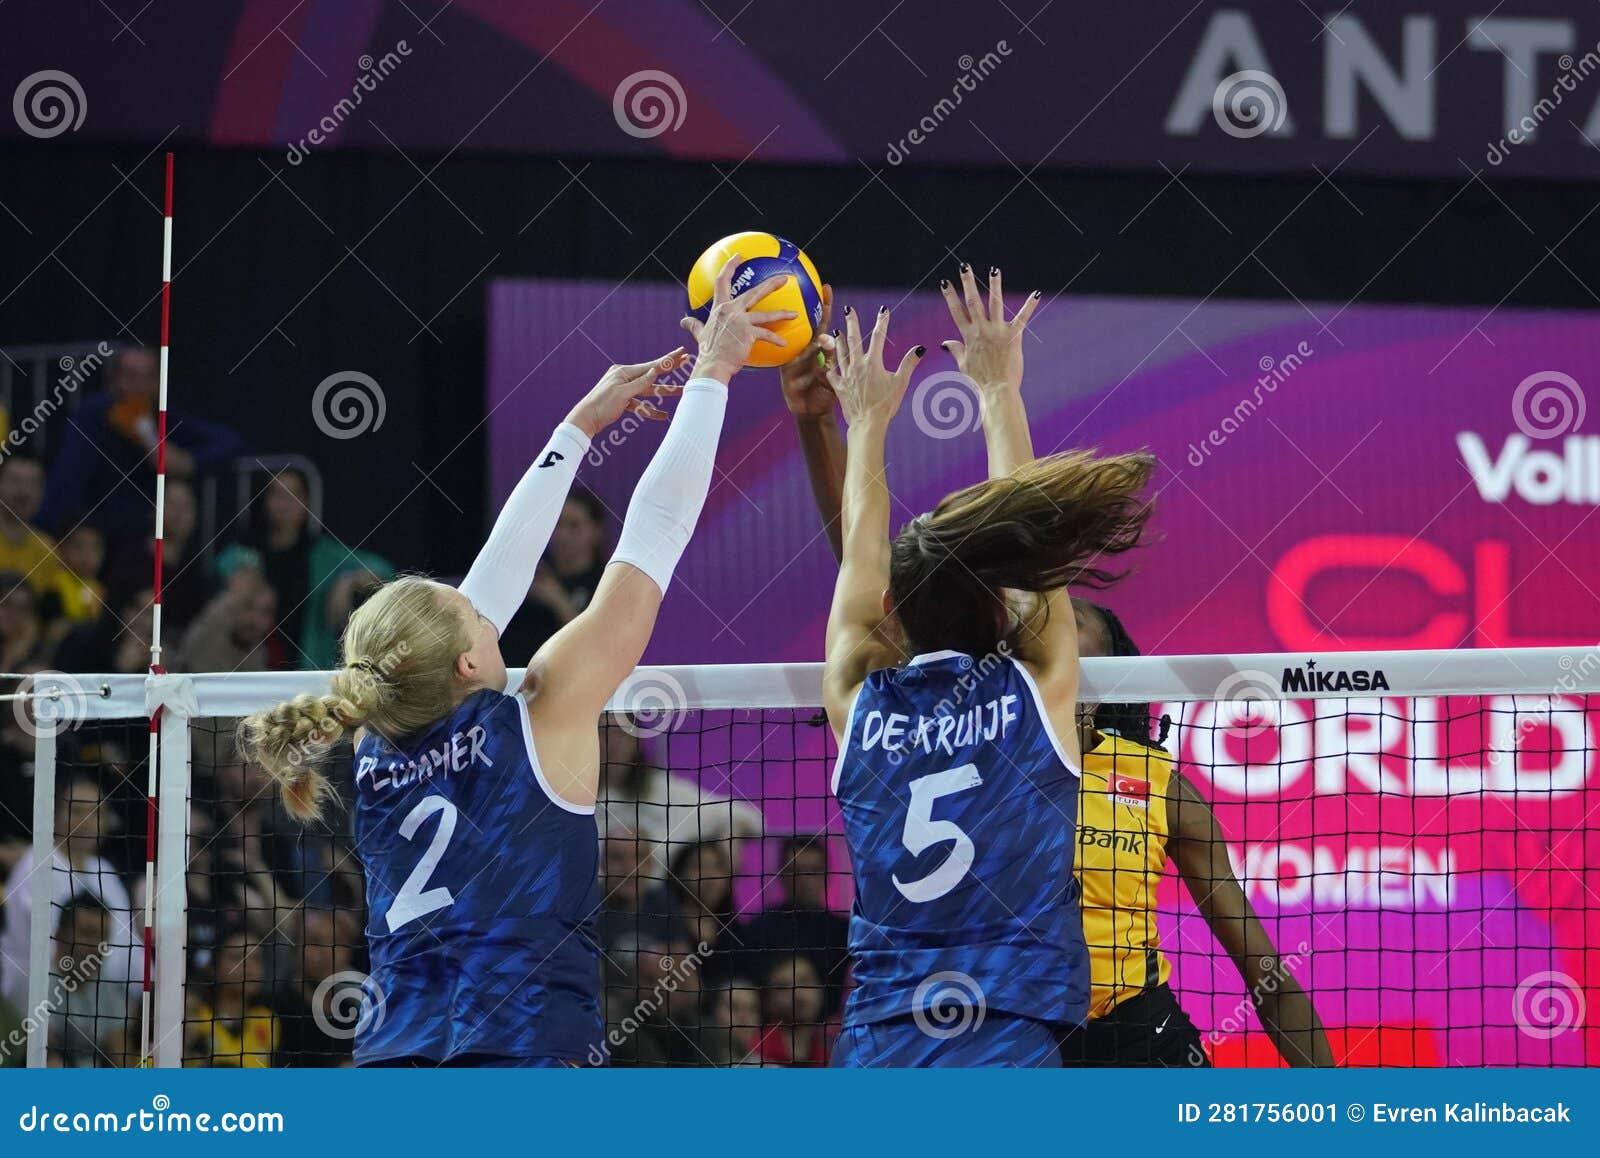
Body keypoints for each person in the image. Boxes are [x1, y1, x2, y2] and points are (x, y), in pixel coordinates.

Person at [236, 257, 796, 1067]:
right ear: (466, 663)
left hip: (393, 1057)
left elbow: (479, 596)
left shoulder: (371, 741)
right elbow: (652, 539)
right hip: (520, 1053)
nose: (490, 601)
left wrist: (578, 429)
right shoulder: (546, 709)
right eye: (473, 611)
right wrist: (715, 373)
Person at [820, 267, 1155, 1067]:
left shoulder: (860, 704)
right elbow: (1028, 534)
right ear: (1006, 610)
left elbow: (862, 570)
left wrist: (864, 422)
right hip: (1005, 1036)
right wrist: (997, 388)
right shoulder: (1034, 691)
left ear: (893, 619)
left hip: (877, 1042)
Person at [1059, 599, 1334, 1067]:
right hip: (1018, 1036)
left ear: (1107, 677)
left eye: (1073, 620)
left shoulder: (1158, 785)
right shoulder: (973, 772)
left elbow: (1263, 971)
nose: (1056, 620)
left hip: (1139, 1036)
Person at [39, 348, 243, 548]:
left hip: (144, 539)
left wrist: (187, 462)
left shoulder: (162, 416)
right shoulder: (92, 415)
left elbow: (230, 442)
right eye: (131, 376)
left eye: (148, 377)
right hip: (94, 537)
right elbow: (67, 481)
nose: (140, 386)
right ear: (114, 380)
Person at [215, 468, 394, 671]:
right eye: (277, 494)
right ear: (264, 501)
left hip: (308, 673)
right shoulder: (246, 553)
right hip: (251, 674)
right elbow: (223, 564)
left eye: (294, 494)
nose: (285, 503)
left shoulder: (324, 553)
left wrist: (348, 579)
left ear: (306, 502)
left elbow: (383, 570)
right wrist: (240, 576)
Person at [495, 487, 611, 663]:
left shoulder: (608, 582)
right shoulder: (531, 573)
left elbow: (598, 646)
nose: (562, 535)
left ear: (596, 531)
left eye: (574, 526)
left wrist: (557, 600)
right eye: (557, 524)